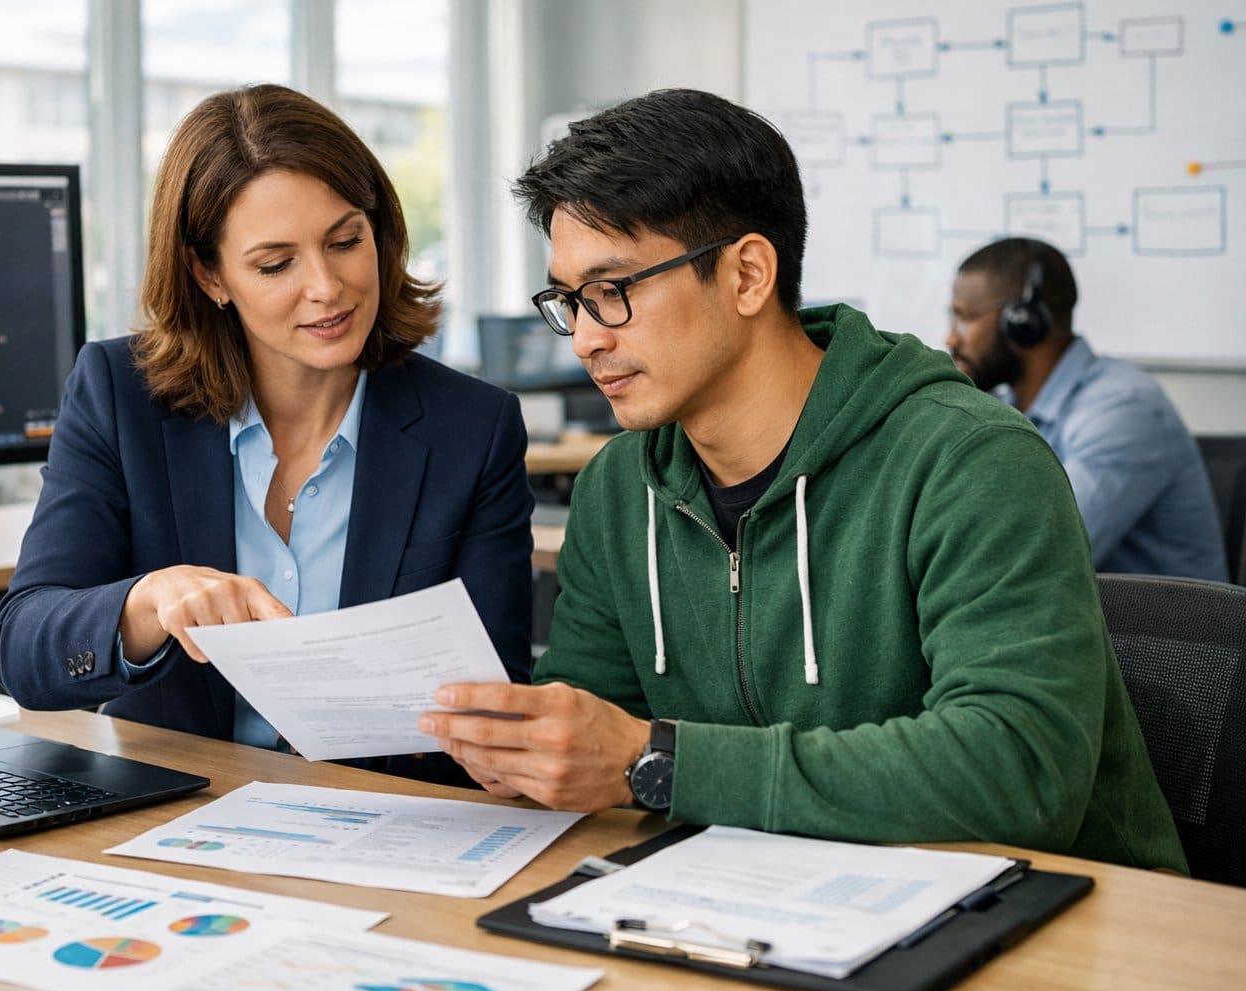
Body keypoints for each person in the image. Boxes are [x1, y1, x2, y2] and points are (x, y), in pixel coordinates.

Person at [418, 89, 1186, 872]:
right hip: (775, 897)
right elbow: (599, 727)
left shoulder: (972, 460)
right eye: (570, 301)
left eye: (613, 293)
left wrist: (661, 763)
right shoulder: (620, 487)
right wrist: (526, 752)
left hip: (1062, 922)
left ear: (748, 274)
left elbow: (1021, 770)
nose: (583, 338)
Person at [0, 85, 534, 784]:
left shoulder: (475, 427)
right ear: (208, 273)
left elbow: (498, 705)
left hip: (386, 824)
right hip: (180, 821)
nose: (327, 287)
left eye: (346, 241)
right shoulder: (118, 395)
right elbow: (26, 652)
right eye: (276, 264)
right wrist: (146, 604)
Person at [947, 238, 1227, 581]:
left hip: (1157, 631)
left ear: (1022, 321)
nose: (951, 339)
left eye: (966, 318)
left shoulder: (1124, 410)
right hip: (1076, 621)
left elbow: (1035, 550)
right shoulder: (1004, 408)